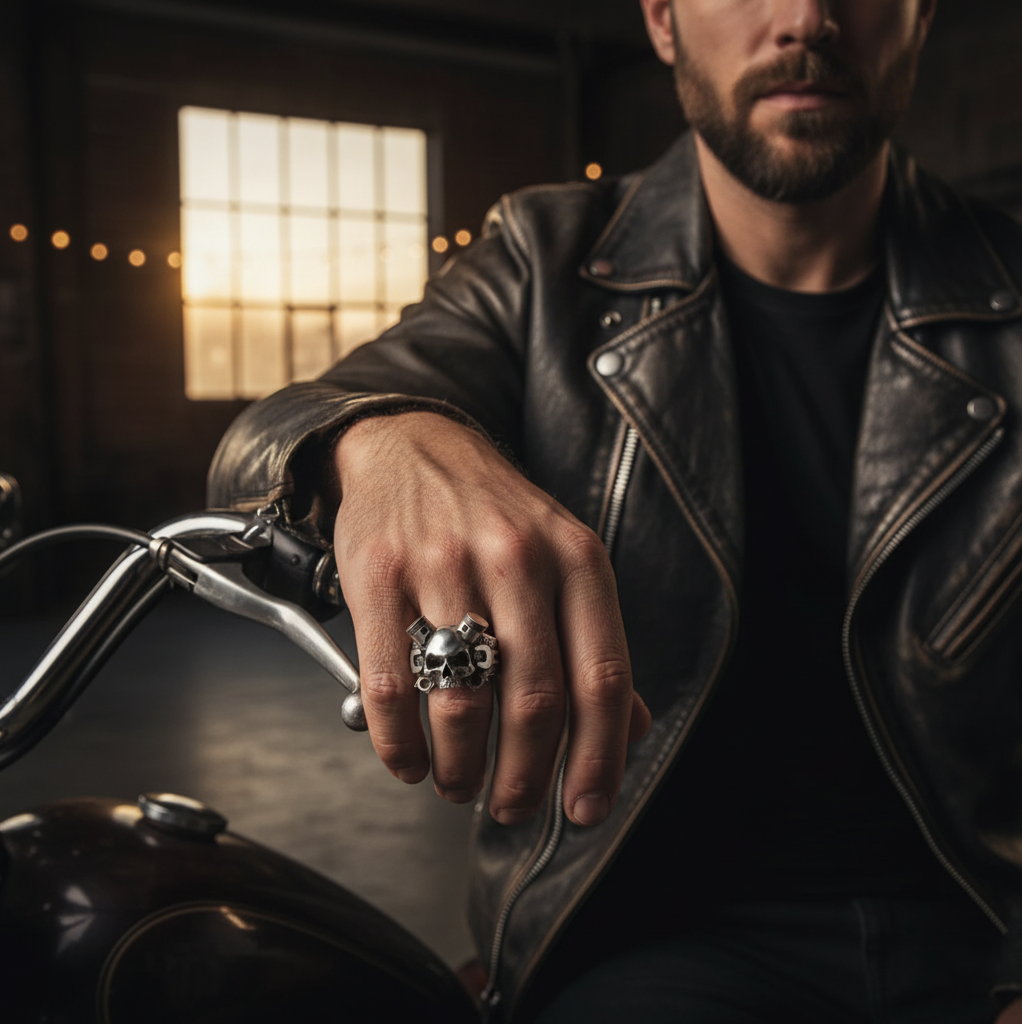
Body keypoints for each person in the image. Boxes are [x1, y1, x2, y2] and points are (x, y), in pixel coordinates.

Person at [208, 0, 1022, 1020]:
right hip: (655, 934)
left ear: (920, 17)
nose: (808, 19)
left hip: (985, 926)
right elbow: (269, 440)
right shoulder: (540, 260)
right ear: (662, 20)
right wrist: (385, 440)